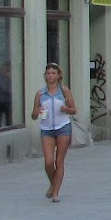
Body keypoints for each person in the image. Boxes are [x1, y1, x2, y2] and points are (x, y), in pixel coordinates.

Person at [33, 63, 77, 201]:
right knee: (48, 162)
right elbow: (33, 115)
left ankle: (56, 192)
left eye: (53, 73)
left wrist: (66, 109)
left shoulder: (64, 91)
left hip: (63, 127)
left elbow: (74, 109)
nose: (50, 75)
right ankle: (53, 184)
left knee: (59, 161)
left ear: (58, 76)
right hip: (47, 129)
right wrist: (37, 111)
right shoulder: (40, 93)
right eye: (48, 73)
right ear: (45, 75)